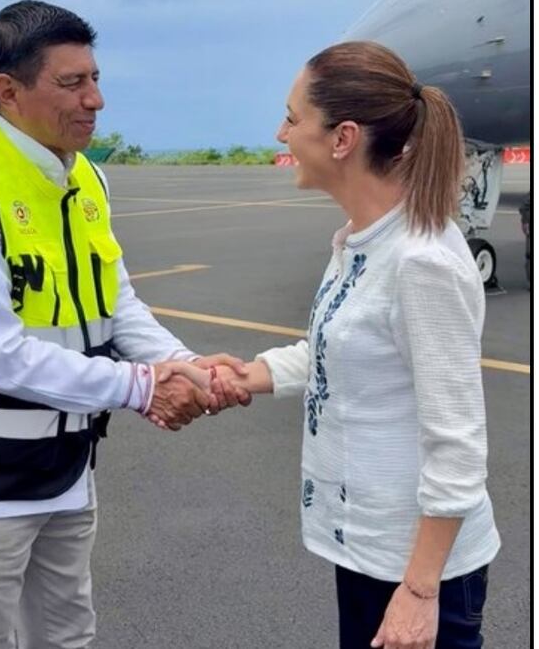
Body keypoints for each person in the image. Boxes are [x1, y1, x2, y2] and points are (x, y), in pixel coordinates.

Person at [0, 0, 248, 649]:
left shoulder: (84, 176)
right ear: (8, 91)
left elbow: (116, 305)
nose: (97, 100)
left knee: (66, 636)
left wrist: (187, 366)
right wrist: (145, 387)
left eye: (95, 78)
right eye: (72, 83)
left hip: (64, 466)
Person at [210, 41, 500, 649]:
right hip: (371, 550)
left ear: (342, 138)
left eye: (293, 117)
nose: (281, 132)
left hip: (418, 570)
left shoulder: (421, 262)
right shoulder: (361, 241)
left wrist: (421, 593)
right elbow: (337, 351)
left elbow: (458, 446)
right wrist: (247, 375)